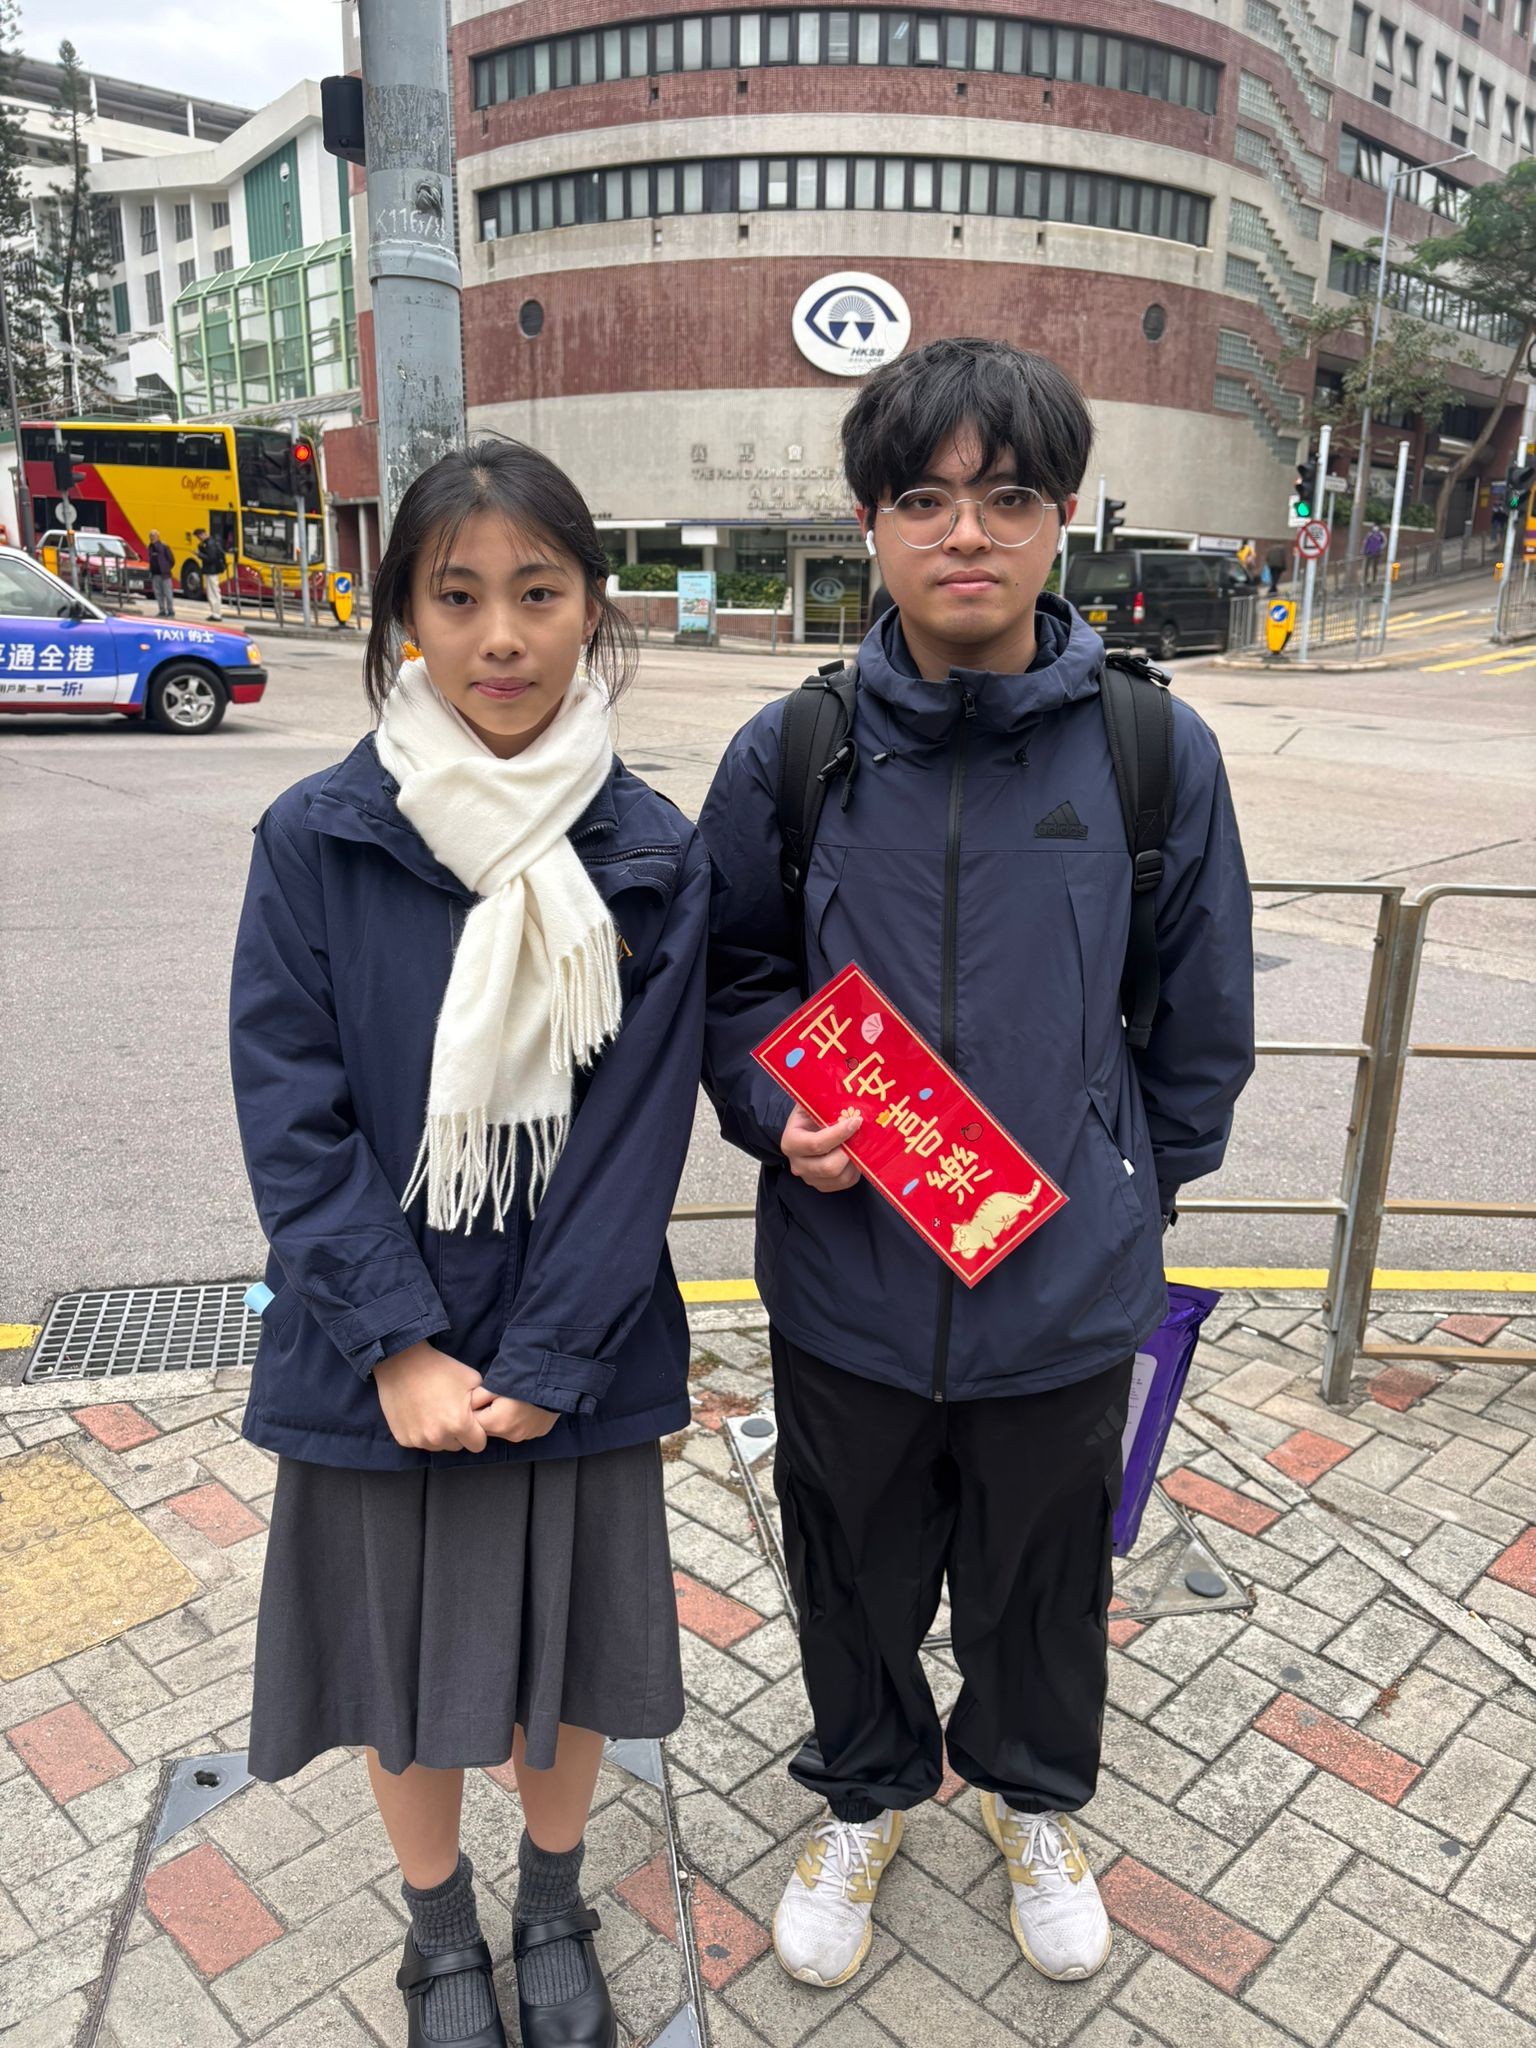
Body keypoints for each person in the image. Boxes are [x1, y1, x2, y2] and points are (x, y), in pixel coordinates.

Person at [700, 337, 1254, 1994]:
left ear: (1062, 517)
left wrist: (1122, 1192)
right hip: (848, 1285)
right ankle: (866, 1794)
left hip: (1062, 1292)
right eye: (925, 498)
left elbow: (1200, 1023)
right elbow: (732, 978)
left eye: (1008, 497)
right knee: (850, 1568)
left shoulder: (1151, 752)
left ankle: (1031, 1798)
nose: (966, 533)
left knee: (1042, 1581)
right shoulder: (792, 751)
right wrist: (773, 1108)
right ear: (870, 520)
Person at [230, 439, 708, 2048]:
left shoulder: (650, 848)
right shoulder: (319, 834)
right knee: (401, 1667)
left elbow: (640, 1136)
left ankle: (553, 1904)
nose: (501, 636)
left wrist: (553, 1359)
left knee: (571, 1660)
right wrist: (397, 1344)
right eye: (457, 597)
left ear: (592, 610)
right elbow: (290, 1107)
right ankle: (438, 1931)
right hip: (378, 1361)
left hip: (579, 1350)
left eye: (538, 593)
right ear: (404, 623)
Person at [194, 526, 226, 618]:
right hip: (212, 570)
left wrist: (199, 554)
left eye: (199, 536)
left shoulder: (210, 544)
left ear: (203, 534)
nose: (199, 539)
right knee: (212, 591)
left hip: (212, 570)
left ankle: (216, 613)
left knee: (213, 592)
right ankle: (215, 612)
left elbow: (211, 558)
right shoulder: (209, 542)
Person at [146, 529, 175, 617]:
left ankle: (170, 610)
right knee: (158, 593)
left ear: (158, 536)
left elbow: (171, 559)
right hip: (155, 574)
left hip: (164, 574)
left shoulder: (163, 546)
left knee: (168, 593)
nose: (152, 537)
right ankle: (162, 610)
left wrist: (166, 568)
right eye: (151, 535)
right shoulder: (150, 547)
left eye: (154, 535)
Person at [1362, 521, 1386, 586]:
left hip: (1377, 553)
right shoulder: (1370, 534)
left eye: (1376, 526)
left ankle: (1374, 578)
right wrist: (1364, 550)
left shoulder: (1381, 534)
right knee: (1366, 566)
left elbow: (1384, 542)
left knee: (1375, 566)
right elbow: (1365, 542)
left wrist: (1379, 548)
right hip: (1369, 552)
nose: (1375, 527)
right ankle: (1365, 579)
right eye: (1374, 526)